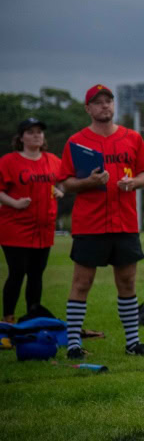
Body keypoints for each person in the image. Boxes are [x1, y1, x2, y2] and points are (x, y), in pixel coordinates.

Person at [58, 84, 144, 358]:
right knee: (82, 282)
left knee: (127, 281)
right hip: (90, 222)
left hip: (124, 221)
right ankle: (74, 344)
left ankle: (133, 343)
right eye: (97, 102)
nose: (104, 106)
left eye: (108, 101)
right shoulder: (76, 141)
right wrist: (88, 182)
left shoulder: (132, 138)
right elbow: (65, 181)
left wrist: (133, 182)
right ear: (88, 108)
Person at [0, 118, 63, 323]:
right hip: (15, 227)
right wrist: (14, 203)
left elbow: (66, 181)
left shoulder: (52, 160)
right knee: (17, 273)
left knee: (36, 274)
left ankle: (32, 318)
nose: (36, 135)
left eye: (39, 132)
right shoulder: (9, 161)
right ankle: (8, 319)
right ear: (21, 137)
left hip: (43, 228)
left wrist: (60, 190)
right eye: (30, 132)